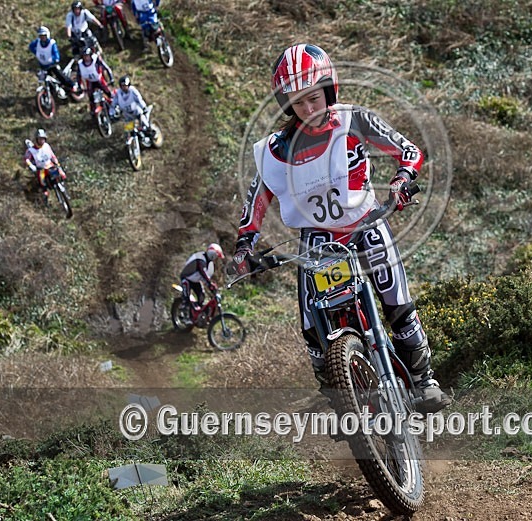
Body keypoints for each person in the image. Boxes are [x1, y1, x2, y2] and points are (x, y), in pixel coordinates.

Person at [226, 43, 451, 414]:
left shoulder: (354, 120)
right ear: (288, 106)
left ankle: (424, 380)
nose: (309, 109)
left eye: (314, 98)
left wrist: (401, 181)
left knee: (398, 307)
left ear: (329, 89)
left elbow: (408, 151)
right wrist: (244, 246)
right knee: (313, 335)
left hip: (365, 226)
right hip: (316, 244)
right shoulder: (276, 150)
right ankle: (340, 401)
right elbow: (257, 199)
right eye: (299, 103)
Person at [28, 26, 79, 94]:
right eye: (41, 36)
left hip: (52, 64)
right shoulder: (37, 42)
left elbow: (55, 53)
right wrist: (37, 53)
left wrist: (55, 59)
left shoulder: (51, 43)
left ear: (47, 35)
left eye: (44, 35)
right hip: (43, 66)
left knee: (60, 76)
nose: (42, 37)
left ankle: (72, 85)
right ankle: (51, 93)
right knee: (46, 80)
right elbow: (31, 47)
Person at [179, 243, 224, 318]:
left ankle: (196, 316)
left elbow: (206, 278)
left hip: (195, 281)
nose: (216, 259)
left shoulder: (210, 264)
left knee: (201, 297)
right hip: (186, 278)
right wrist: (210, 284)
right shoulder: (200, 259)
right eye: (216, 256)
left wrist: (211, 287)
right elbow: (203, 273)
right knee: (186, 298)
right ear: (213, 255)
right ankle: (183, 315)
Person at [23, 129, 66, 205]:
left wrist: (56, 162)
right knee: (42, 183)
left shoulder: (46, 146)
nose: (42, 141)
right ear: (36, 139)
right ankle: (45, 196)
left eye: (43, 139)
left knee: (61, 174)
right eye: (40, 139)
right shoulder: (31, 150)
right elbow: (27, 159)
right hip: (41, 169)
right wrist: (31, 166)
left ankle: (62, 187)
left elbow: (52, 155)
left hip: (50, 166)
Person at [78, 46, 114, 115]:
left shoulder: (96, 59)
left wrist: (111, 78)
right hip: (90, 82)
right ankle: (93, 113)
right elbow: (78, 76)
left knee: (108, 93)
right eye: (84, 56)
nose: (86, 58)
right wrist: (80, 86)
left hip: (99, 80)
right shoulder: (80, 64)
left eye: (87, 56)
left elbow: (106, 68)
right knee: (91, 98)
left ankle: (114, 106)